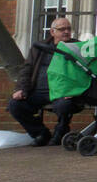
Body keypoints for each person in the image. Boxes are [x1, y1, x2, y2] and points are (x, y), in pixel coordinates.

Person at [7, 17, 75, 146]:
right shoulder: (40, 47)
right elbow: (26, 70)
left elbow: (83, 73)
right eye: (62, 29)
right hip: (38, 92)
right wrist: (20, 89)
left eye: (68, 29)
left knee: (64, 105)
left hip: (62, 92)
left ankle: (61, 131)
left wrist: (75, 90)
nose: (66, 32)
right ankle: (40, 133)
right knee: (14, 105)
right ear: (52, 32)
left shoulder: (76, 47)